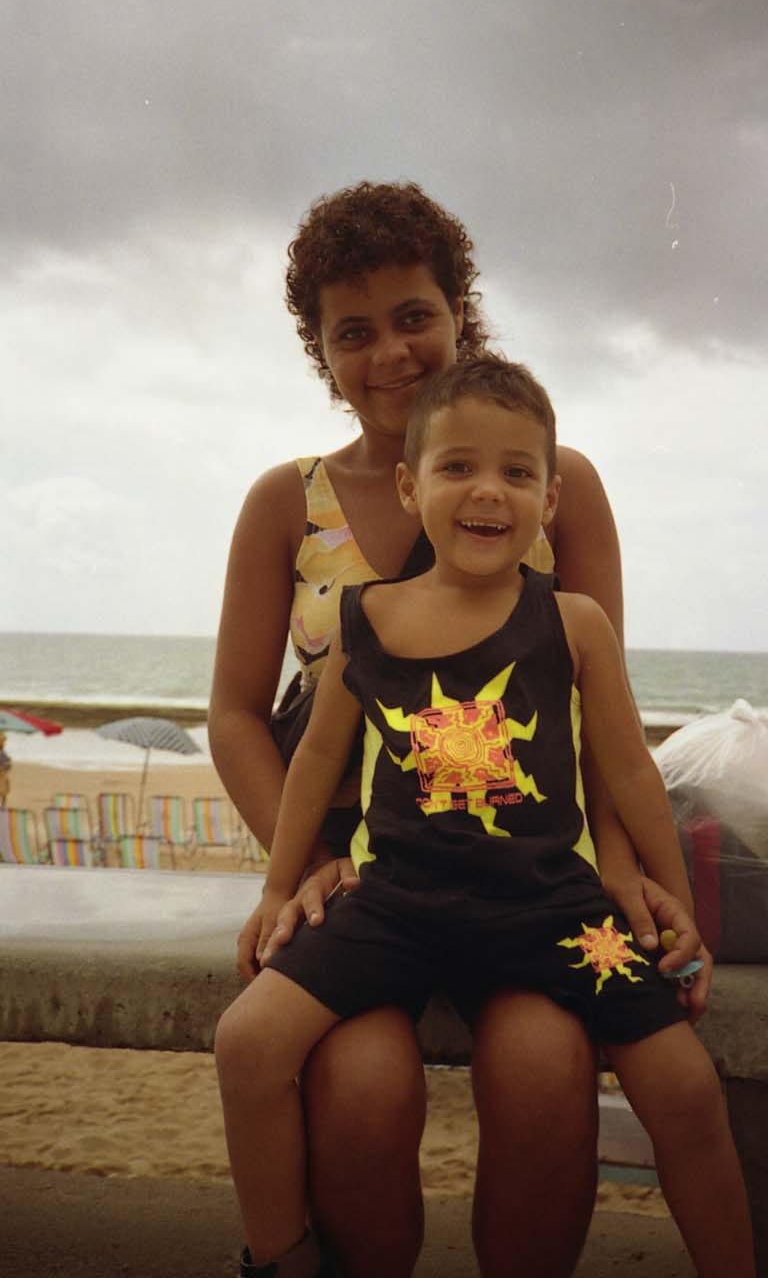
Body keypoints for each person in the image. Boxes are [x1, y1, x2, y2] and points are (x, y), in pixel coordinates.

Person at [209, 180, 710, 1278]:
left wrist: (620, 863)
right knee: (362, 1084)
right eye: (353, 331)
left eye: (413, 316)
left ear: (458, 313)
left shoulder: (554, 483)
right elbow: (237, 713)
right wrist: (303, 867)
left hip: (527, 869)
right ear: (320, 350)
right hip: (357, 877)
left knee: (543, 1068)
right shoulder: (287, 501)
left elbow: (602, 716)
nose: (389, 351)